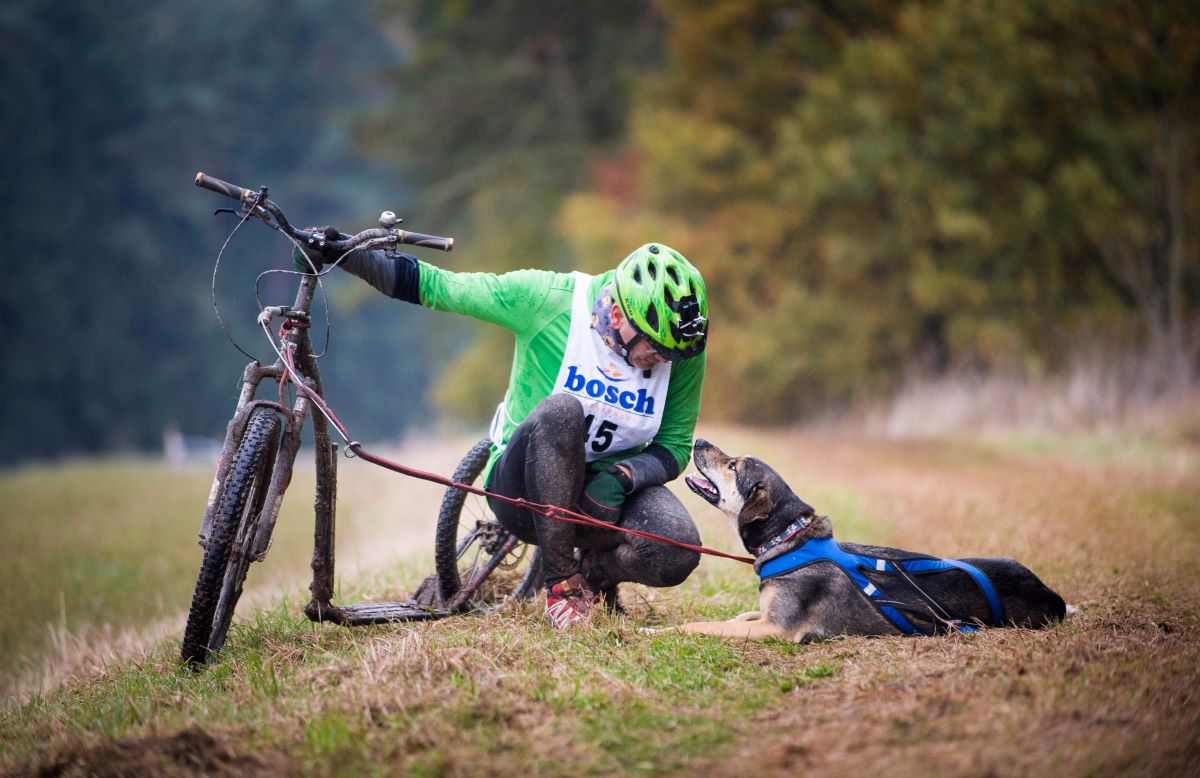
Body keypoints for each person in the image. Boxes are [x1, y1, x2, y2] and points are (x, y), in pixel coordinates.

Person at [296, 236, 708, 628]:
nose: (663, 359)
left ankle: (595, 576)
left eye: (674, 352)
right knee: (562, 409)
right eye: (655, 347)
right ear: (618, 315)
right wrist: (342, 254)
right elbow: (442, 287)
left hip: (605, 499)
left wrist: (625, 477)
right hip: (523, 492)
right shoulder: (549, 300)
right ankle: (562, 586)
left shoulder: (680, 349)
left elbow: (673, 446)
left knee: (677, 550)